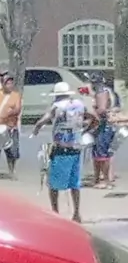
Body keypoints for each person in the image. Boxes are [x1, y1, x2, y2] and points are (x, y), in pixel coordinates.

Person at [33, 81, 97, 222]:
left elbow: (42, 121)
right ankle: (77, 213)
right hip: (76, 147)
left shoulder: (56, 107)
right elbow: (94, 118)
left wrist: (36, 129)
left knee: (53, 184)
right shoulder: (79, 105)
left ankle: (55, 212)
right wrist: (84, 129)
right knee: (75, 183)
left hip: (61, 148)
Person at [90, 73, 118, 189]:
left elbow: (101, 109)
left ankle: (106, 181)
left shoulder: (101, 92)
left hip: (103, 125)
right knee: (98, 153)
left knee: (102, 154)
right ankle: (98, 179)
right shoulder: (104, 91)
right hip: (103, 125)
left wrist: (89, 114)